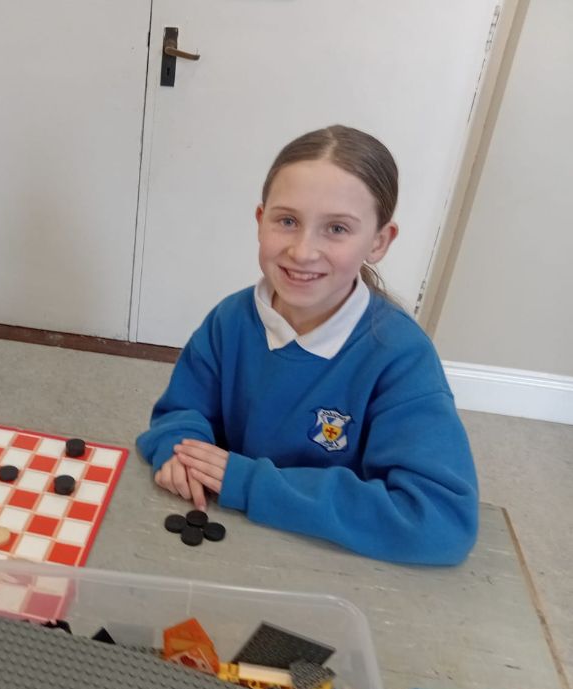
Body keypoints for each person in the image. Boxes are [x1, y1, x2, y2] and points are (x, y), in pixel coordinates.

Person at [136, 125, 478, 565]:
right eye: (287, 221)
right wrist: (181, 452)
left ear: (379, 242)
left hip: (331, 563)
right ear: (261, 221)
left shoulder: (401, 356)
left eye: (336, 228)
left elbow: (440, 520)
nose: (302, 251)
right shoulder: (230, 319)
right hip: (229, 543)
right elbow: (180, 413)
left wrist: (251, 483)